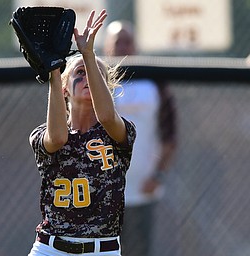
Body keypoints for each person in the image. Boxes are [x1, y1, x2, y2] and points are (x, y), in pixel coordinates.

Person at [28, 10, 136, 256]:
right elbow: (57, 139)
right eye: (80, 73)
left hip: (102, 250)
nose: (88, 76)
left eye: (96, 74)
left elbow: (107, 116)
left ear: (105, 87)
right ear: (66, 89)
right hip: (50, 248)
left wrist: (88, 54)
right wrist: (54, 72)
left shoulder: (118, 132)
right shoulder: (42, 134)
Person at [103, 20, 177, 256]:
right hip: (103, 192)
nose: (123, 47)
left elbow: (170, 136)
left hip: (142, 189)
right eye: (117, 41)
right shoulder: (96, 83)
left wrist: (158, 174)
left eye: (128, 41)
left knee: (139, 250)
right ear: (107, 47)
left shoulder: (155, 81)